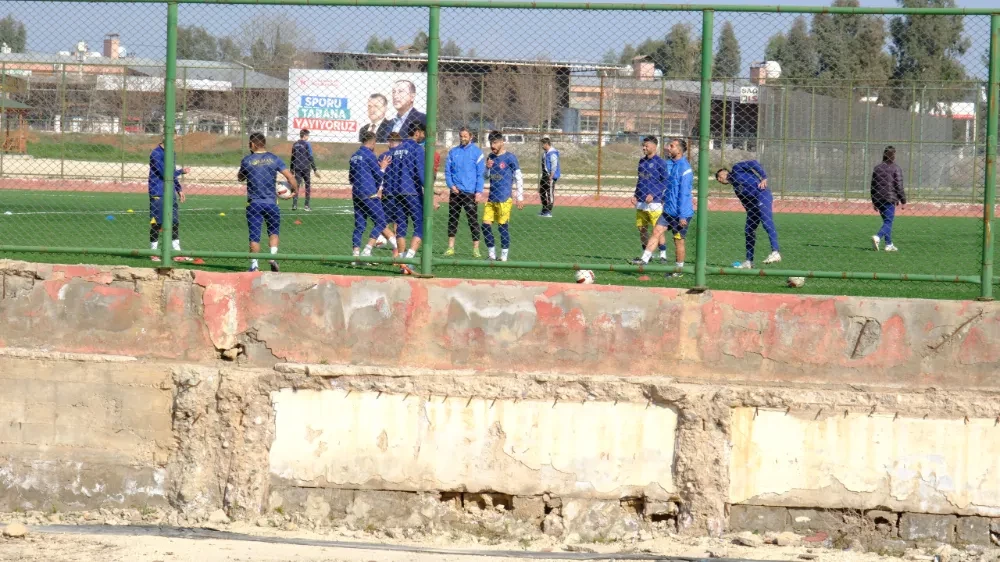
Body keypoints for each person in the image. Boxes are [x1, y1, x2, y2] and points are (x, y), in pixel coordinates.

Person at [631, 138, 693, 278]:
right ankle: (644, 260)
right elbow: (665, 184)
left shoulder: (685, 168)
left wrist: (683, 215)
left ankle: (679, 270)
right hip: (668, 211)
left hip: (681, 212)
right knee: (656, 231)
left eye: (671, 146)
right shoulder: (668, 164)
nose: (667, 147)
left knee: (678, 240)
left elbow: (684, 193)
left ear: (680, 150)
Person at [237, 132, 298, 273]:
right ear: (264, 143)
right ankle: (272, 256)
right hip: (271, 203)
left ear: (252, 144)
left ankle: (254, 266)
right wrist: (294, 191)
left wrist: (248, 171)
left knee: (254, 236)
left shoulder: (247, 160)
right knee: (273, 232)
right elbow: (290, 176)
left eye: (249, 144)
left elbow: (240, 177)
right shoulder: (274, 158)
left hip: (254, 204)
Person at [715, 160, 782, 268]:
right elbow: (746, 203)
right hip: (753, 205)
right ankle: (749, 261)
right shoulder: (736, 188)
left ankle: (775, 252)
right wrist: (751, 215)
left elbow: (753, 163)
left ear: (724, 172)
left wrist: (764, 177)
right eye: (718, 180)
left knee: (766, 222)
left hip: (762, 194)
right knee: (749, 230)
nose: (719, 180)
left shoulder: (737, 168)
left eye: (719, 176)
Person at [385, 122, 426, 275]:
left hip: (396, 193)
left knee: (401, 225)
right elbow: (421, 173)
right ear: (417, 132)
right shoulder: (417, 149)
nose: (423, 136)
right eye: (422, 132)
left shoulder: (396, 150)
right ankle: (409, 259)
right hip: (412, 192)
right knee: (420, 225)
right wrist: (430, 190)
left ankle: (402, 261)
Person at [349, 130, 396, 262]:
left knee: (359, 225)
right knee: (381, 221)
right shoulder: (370, 155)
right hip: (369, 193)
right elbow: (378, 175)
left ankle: (355, 256)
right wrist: (383, 167)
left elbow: (351, 178)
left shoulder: (354, 156)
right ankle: (367, 250)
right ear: (373, 142)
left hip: (356, 193)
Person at [148, 135, 191, 263]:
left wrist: (178, 188)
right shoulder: (155, 153)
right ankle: (153, 252)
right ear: (165, 138)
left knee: (174, 222)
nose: (175, 141)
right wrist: (181, 171)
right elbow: (164, 173)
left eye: (176, 139)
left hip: (170, 192)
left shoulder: (171, 153)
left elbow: (171, 173)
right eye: (173, 138)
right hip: (158, 192)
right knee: (156, 223)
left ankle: (177, 252)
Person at [482, 130, 524, 262]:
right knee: (485, 225)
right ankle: (491, 255)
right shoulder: (490, 157)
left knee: (502, 227)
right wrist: (487, 168)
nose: (492, 146)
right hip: (491, 198)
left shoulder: (510, 158)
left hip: (504, 199)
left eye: (494, 143)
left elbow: (518, 177)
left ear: (502, 142)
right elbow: (485, 177)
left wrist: (520, 197)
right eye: (490, 143)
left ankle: (504, 256)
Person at [443, 127, 485, 257]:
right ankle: (450, 247)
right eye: (461, 136)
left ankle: (476, 249)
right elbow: (448, 171)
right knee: (453, 219)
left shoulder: (477, 153)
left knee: (472, 220)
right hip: (455, 192)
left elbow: (480, 174)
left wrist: (478, 191)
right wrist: (451, 185)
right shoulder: (453, 152)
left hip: (470, 192)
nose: (463, 138)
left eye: (465, 136)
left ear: (471, 137)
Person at [630, 135, 670, 265]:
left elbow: (665, 181)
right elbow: (640, 180)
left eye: (646, 145)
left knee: (657, 230)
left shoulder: (660, 162)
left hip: (655, 203)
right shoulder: (641, 162)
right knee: (642, 228)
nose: (644, 148)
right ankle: (646, 255)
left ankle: (663, 255)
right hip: (641, 201)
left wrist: (653, 194)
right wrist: (635, 194)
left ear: (654, 146)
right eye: (643, 145)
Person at [870, 145, 906, 252]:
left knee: (887, 221)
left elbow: (873, 185)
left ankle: (889, 244)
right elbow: (899, 185)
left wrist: (874, 201)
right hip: (889, 198)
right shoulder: (896, 168)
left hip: (878, 198)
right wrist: (903, 200)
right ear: (894, 155)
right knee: (888, 221)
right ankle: (877, 237)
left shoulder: (877, 168)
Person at [374, 133, 402, 251]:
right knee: (398, 223)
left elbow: (380, 175)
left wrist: (379, 189)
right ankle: (398, 254)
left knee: (382, 222)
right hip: (401, 192)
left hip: (388, 193)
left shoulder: (384, 156)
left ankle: (384, 238)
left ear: (389, 142)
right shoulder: (403, 155)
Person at [290, 129, 319, 211]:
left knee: (297, 186)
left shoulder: (295, 144)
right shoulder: (307, 144)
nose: (308, 137)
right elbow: (310, 156)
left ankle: (294, 204)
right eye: (308, 135)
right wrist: (315, 169)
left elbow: (292, 157)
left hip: (297, 167)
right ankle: (306, 205)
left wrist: (291, 169)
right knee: (307, 186)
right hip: (306, 167)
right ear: (305, 136)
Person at [538, 136, 560, 218]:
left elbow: (554, 166)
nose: (542, 146)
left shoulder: (552, 153)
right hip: (544, 175)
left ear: (546, 144)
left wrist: (551, 176)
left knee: (549, 193)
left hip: (550, 176)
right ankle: (544, 209)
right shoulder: (545, 153)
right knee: (542, 192)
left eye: (542, 144)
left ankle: (549, 211)